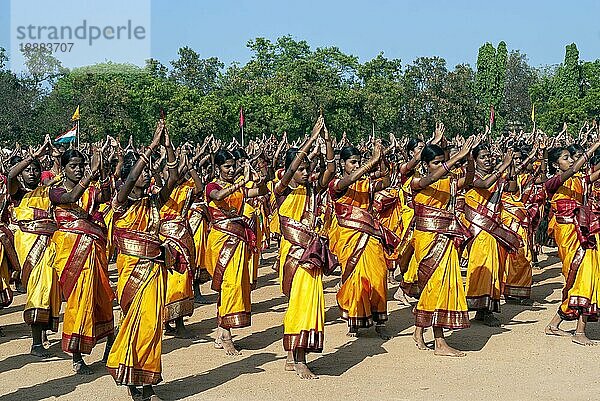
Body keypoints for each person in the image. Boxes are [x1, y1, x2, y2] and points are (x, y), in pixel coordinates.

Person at [106, 120, 180, 401]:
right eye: (143, 174)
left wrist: (168, 146)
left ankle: (145, 379)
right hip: (133, 273)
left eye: (148, 173)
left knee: (151, 326)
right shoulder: (121, 202)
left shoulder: (152, 203)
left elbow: (172, 179)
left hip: (154, 271)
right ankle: (134, 380)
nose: (148, 177)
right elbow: (126, 183)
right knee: (137, 323)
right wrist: (150, 147)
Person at [274, 115, 337, 379]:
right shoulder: (283, 189)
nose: (304, 172)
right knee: (299, 303)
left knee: (309, 304)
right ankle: (297, 359)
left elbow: (331, 171)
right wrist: (310, 140)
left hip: (311, 254)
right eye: (300, 168)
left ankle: (295, 356)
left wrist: (327, 140)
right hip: (295, 255)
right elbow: (289, 172)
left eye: (306, 168)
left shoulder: (313, 190)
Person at [49, 147, 114, 374]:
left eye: (80, 165)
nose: (77, 169)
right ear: (63, 168)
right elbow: (71, 197)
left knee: (103, 298)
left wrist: (103, 171)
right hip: (71, 255)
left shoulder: (91, 190)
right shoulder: (55, 191)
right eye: (72, 166)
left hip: (94, 251)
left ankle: (109, 346)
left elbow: (105, 197)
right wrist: (90, 174)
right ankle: (77, 356)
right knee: (79, 302)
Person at [410, 137, 477, 356]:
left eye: (442, 161)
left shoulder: (448, 181)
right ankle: (439, 343)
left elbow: (467, 181)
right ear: (425, 164)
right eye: (435, 162)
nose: (439, 166)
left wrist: (468, 160)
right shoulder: (416, 180)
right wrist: (455, 158)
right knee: (435, 285)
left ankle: (421, 329)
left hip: (446, 236)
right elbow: (431, 179)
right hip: (427, 238)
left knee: (438, 286)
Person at [329, 140, 398, 338]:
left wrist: (381, 157)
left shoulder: (365, 184)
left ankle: (380, 321)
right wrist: (372, 162)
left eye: (358, 162)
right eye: (352, 162)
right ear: (343, 164)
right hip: (349, 238)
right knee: (354, 278)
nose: (356, 165)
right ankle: (354, 320)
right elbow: (349, 180)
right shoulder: (337, 184)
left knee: (378, 276)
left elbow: (386, 181)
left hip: (370, 235)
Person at [205, 149, 268, 355]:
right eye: (227, 167)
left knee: (234, 286)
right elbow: (220, 195)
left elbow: (260, 192)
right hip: (221, 241)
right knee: (229, 285)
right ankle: (226, 336)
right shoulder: (212, 186)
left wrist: (261, 177)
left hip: (237, 240)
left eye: (233, 166)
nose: (231, 170)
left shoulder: (238, 187)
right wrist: (241, 182)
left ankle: (222, 333)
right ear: (218, 168)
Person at [544, 139, 600, 345]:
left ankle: (555, 325)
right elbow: (576, 167)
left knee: (585, 276)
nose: (571, 161)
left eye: (571, 157)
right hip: (568, 232)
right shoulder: (554, 181)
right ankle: (578, 332)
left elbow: (592, 174)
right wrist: (595, 145)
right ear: (555, 164)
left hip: (583, 231)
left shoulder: (579, 179)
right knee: (580, 276)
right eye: (565, 158)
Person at [8, 138, 58, 357]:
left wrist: (56, 157)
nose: (31, 173)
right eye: (27, 170)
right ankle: (36, 343)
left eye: (35, 170)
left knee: (47, 289)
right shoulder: (17, 192)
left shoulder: (46, 191)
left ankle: (42, 333)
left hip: (48, 244)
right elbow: (10, 176)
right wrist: (33, 156)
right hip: (28, 245)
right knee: (37, 290)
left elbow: (63, 181)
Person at [462, 144, 517, 326]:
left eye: (490, 157)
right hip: (479, 230)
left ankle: (485, 309)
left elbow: (513, 187)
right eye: (483, 157)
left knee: (495, 269)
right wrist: (504, 164)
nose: (488, 160)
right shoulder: (471, 177)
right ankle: (483, 311)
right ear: (475, 160)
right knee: (484, 268)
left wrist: (511, 167)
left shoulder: (497, 176)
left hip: (494, 229)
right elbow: (485, 185)